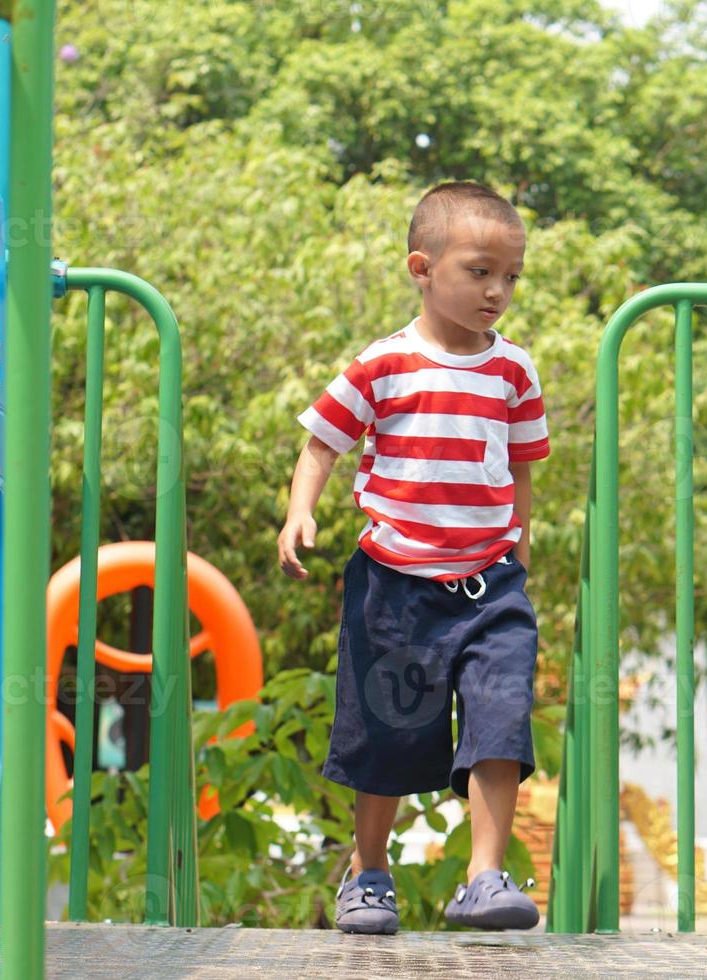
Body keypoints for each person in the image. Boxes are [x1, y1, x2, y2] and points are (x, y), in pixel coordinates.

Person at [278, 181, 549, 933]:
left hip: (490, 583)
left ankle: (484, 877)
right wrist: (300, 512)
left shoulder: (513, 372)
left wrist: (521, 542)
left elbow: (519, 467)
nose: (498, 291)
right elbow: (322, 443)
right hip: (394, 585)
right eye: (479, 271)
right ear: (421, 268)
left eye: (511, 277)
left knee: (502, 715)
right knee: (388, 728)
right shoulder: (383, 364)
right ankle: (369, 873)